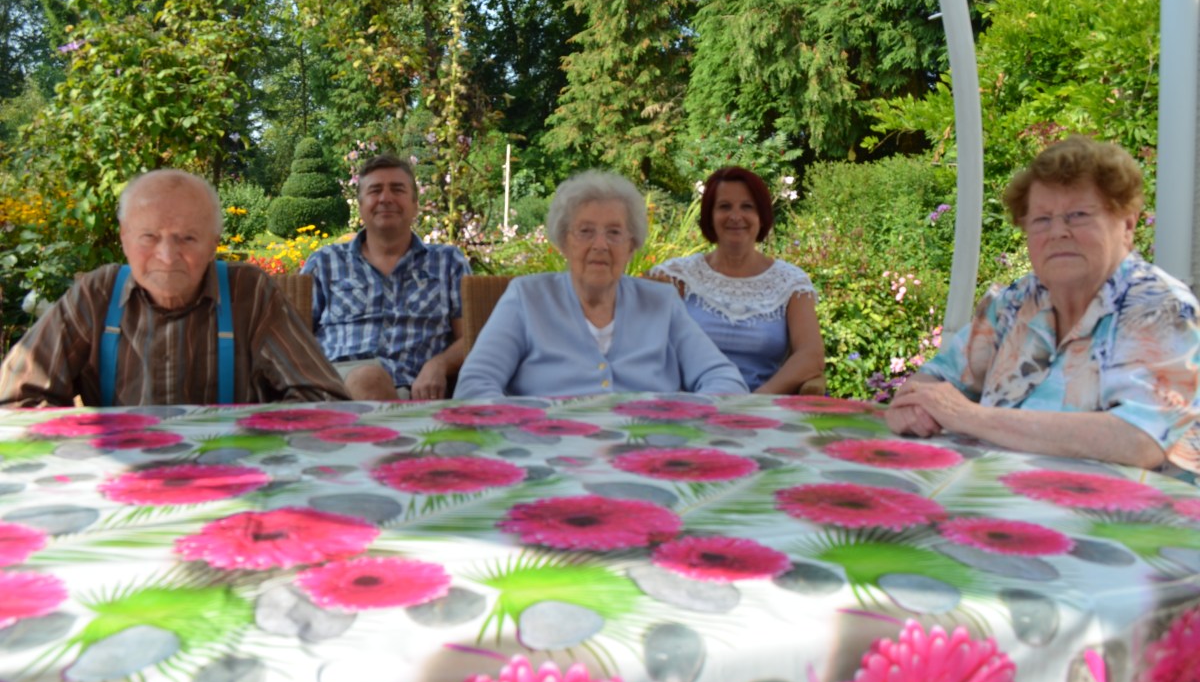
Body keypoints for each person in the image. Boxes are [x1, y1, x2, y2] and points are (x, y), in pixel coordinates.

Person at [887, 135, 1200, 474]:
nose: (1058, 232)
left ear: (1127, 225)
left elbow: (1139, 439)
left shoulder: (1159, 308)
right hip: (1004, 502)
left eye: (1078, 215)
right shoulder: (1018, 301)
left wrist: (969, 417)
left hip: (1124, 519)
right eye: (1041, 220)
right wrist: (914, 406)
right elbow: (936, 378)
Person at [0, 170, 348, 406]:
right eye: (149, 237)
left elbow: (322, 398)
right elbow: (15, 398)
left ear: (214, 244)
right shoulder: (97, 294)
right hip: (120, 485)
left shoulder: (249, 292)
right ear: (124, 238)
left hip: (234, 481)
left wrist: (260, 443)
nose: (167, 256)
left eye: (188, 238)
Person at [454, 170, 747, 399]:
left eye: (614, 232)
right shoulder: (526, 297)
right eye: (585, 231)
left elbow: (724, 379)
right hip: (550, 454)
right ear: (564, 241)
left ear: (632, 246)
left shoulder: (662, 301)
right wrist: (524, 430)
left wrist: (680, 420)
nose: (600, 245)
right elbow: (475, 385)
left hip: (648, 454)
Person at [302, 154, 470, 400]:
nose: (386, 198)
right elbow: (294, 338)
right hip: (336, 389)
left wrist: (439, 365)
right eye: (375, 190)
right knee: (369, 379)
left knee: (372, 382)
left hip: (418, 390)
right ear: (360, 206)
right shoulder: (325, 263)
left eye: (397, 189)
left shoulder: (448, 263)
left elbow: (471, 337)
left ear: (415, 205)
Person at [651, 166, 825, 393]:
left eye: (747, 207)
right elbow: (642, 348)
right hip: (689, 413)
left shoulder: (791, 283)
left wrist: (756, 401)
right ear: (709, 216)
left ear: (761, 216)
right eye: (724, 206)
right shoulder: (677, 277)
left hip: (763, 412)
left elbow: (810, 355)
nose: (735, 216)